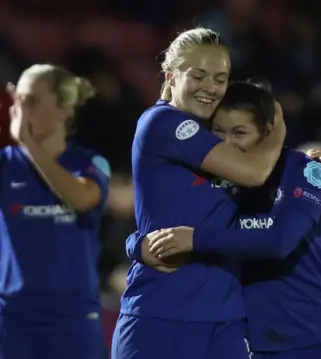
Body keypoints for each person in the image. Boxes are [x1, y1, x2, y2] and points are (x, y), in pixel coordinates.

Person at [111, 27, 287, 359]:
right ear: (170, 75)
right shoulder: (163, 123)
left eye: (220, 78)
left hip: (227, 320)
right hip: (161, 315)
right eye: (199, 75)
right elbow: (254, 173)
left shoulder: (221, 135)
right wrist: (277, 125)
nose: (210, 87)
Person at [145, 80, 321, 359]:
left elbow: (279, 240)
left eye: (239, 133)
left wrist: (196, 238)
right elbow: (167, 223)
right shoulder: (213, 180)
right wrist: (137, 245)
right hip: (248, 344)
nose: (228, 144)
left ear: (267, 132)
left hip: (311, 340)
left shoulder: (307, 171)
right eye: (218, 132)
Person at [0, 64, 110, 359]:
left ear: (64, 109)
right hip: (10, 319)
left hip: (72, 321)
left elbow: (82, 198)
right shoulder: (3, 163)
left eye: (31, 101)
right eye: (17, 100)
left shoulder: (91, 162)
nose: (19, 110)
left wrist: (30, 145)